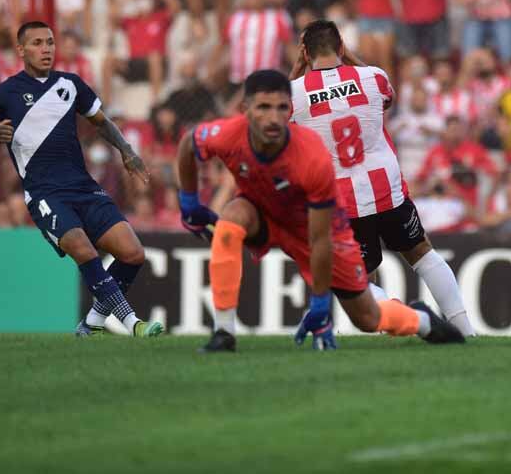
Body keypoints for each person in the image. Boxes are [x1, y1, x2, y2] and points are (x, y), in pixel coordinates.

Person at [176, 69, 465, 352]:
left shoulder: (311, 157)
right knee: (232, 218)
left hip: (320, 233)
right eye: (264, 107)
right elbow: (189, 144)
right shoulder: (228, 134)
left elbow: (319, 240)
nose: (273, 117)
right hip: (264, 214)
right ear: (246, 109)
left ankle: (422, 321)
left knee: (368, 318)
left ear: (290, 109)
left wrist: (320, 304)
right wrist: (189, 203)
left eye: (281, 108)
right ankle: (224, 332)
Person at [0, 21, 162, 338]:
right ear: (21, 50)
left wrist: (127, 151)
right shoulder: (4, 93)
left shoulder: (71, 84)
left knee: (133, 254)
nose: (46, 49)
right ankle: (134, 324)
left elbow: (102, 122)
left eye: (50, 42)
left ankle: (90, 325)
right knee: (83, 249)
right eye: (37, 43)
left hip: (84, 187)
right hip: (45, 194)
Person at [288, 20, 475, 337]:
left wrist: (297, 69)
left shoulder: (294, 93)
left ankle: (406, 316)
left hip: (341, 201)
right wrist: (351, 60)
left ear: (305, 54)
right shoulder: (373, 77)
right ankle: (466, 331)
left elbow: (274, 115)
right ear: (342, 48)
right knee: (421, 253)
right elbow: (387, 95)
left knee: (358, 279)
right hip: (386, 189)